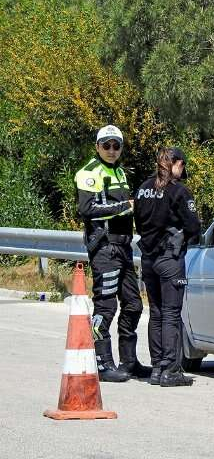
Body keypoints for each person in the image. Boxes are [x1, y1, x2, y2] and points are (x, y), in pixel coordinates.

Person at [75, 125, 150, 382]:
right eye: (106, 145)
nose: (111, 150)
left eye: (116, 145)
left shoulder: (119, 171)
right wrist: (124, 207)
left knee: (134, 304)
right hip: (104, 248)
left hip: (124, 248)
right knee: (105, 307)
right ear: (97, 147)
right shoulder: (89, 172)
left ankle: (129, 362)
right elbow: (87, 208)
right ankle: (103, 364)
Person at [134, 147, 201, 387]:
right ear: (177, 164)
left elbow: (139, 223)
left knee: (156, 312)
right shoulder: (179, 191)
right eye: (183, 167)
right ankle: (170, 371)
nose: (183, 172)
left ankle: (157, 368)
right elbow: (194, 227)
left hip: (148, 259)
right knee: (171, 314)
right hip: (170, 259)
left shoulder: (143, 188)